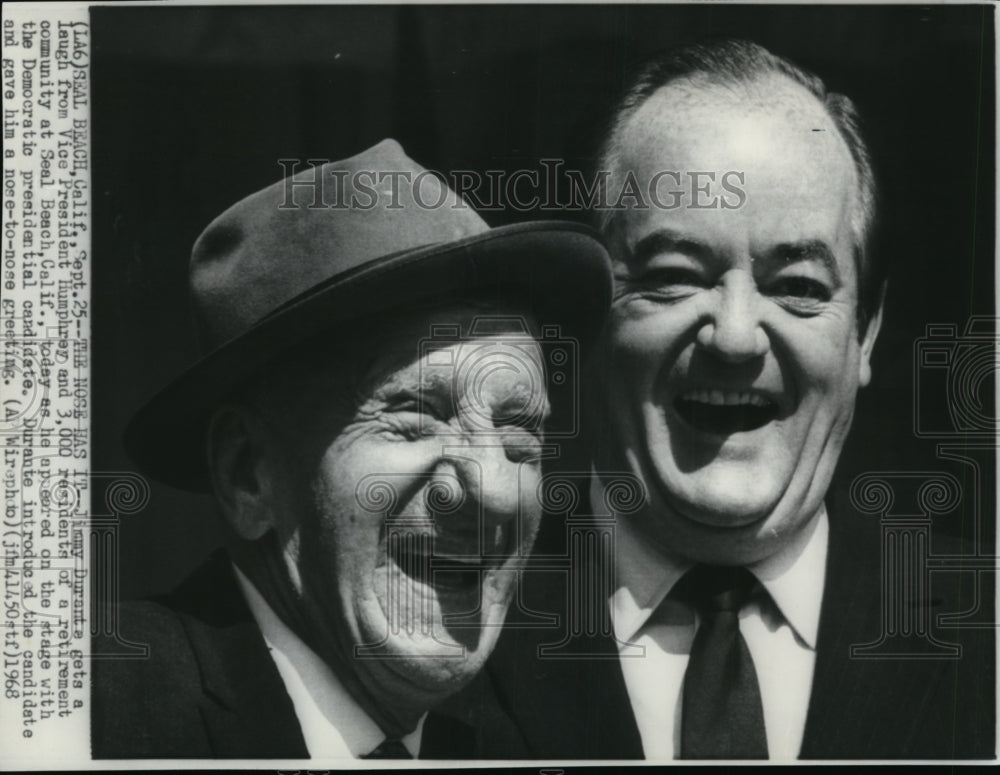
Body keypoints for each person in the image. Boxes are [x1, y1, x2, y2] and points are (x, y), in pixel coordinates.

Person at [476, 39, 994, 760]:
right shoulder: (447, 626)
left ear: (866, 334)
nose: (737, 336)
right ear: (583, 311)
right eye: (676, 274)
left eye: (800, 287)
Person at [90, 139, 613, 759]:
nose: (495, 490)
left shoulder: (534, 742)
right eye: (417, 415)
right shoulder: (93, 716)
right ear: (246, 473)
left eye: (520, 434)